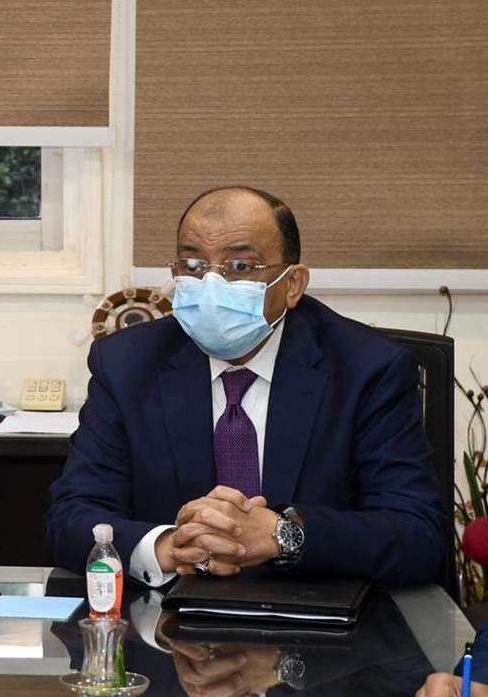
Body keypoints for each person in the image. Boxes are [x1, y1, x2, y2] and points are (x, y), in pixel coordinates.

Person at [45, 186, 444, 587]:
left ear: (293, 284)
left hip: (316, 611)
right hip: (170, 612)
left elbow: (417, 535)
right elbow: (72, 516)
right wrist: (166, 547)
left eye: (240, 266)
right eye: (194, 266)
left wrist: (283, 535)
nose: (211, 285)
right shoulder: (127, 364)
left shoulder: (367, 368)